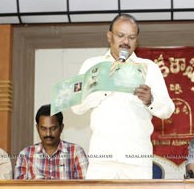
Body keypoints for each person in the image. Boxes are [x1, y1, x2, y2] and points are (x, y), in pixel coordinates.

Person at [72, 13, 175, 179]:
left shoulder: (149, 68)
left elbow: (168, 110)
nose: (126, 42)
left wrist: (151, 101)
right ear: (109, 36)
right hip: (102, 159)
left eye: (131, 37)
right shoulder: (92, 65)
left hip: (138, 159)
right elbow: (76, 107)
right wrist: (105, 85)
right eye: (120, 36)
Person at [14, 104, 88, 179]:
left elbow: (86, 186)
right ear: (37, 128)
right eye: (43, 129)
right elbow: (18, 186)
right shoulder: (25, 155)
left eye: (53, 128)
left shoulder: (76, 152)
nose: (48, 133)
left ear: (61, 128)